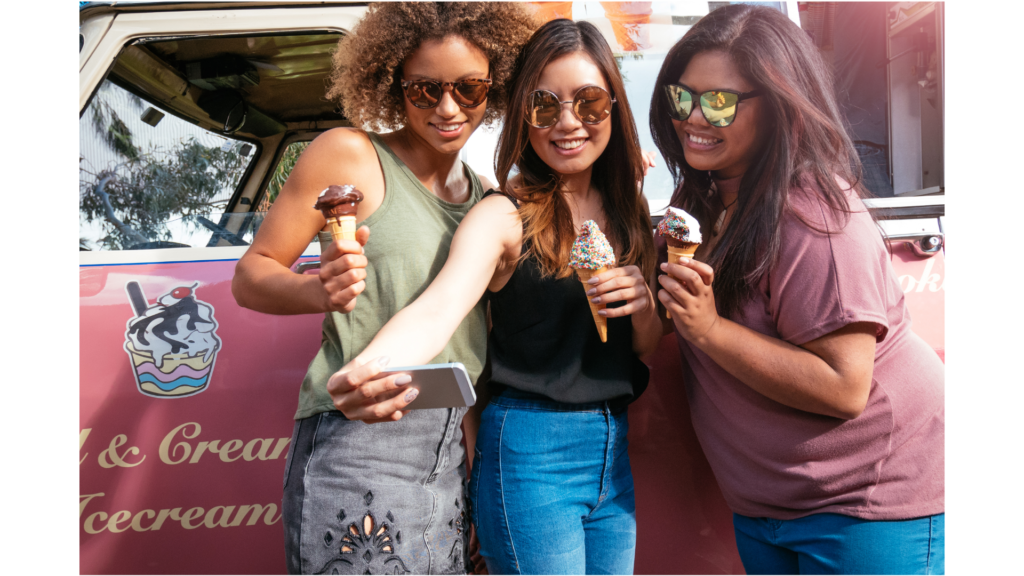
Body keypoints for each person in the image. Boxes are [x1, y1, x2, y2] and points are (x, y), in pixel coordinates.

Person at [328, 19, 662, 576]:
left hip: (612, 449)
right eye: (544, 105)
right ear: (521, 116)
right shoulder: (503, 214)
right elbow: (441, 304)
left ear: (614, 109)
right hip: (531, 453)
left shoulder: (631, 216)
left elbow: (644, 348)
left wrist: (644, 304)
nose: (568, 123)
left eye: (590, 102)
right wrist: (369, 368)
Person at [230, 1, 535, 574]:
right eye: (425, 91)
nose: (448, 108)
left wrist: (472, 467)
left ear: (493, 90)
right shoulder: (350, 154)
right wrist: (319, 292)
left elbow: (468, 346)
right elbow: (252, 275)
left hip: (448, 447)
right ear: (393, 85)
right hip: (357, 433)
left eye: (469, 89)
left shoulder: (486, 198)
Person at [649, 6, 946, 575]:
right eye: (682, 97)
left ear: (780, 105)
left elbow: (843, 386)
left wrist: (709, 329)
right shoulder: (703, 201)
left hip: (868, 506)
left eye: (720, 102)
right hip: (769, 509)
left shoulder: (813, 217)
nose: (693, 117)